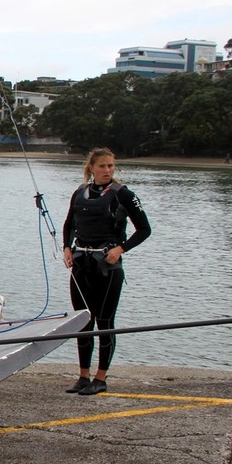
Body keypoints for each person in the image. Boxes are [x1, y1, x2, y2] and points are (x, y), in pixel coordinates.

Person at [61, 148, 151, 395]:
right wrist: (67, 248)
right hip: (81, 264)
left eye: (111, 166)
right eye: (102, 166)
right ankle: (83, 376)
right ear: (91, 168)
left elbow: (144, 229)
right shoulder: (80, 193)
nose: (108, 171)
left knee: (105, 322)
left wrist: (121, 249)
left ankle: (100, 378)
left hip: (108, 267)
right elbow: (69, 224)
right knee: (83, 322)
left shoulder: (124, 195)